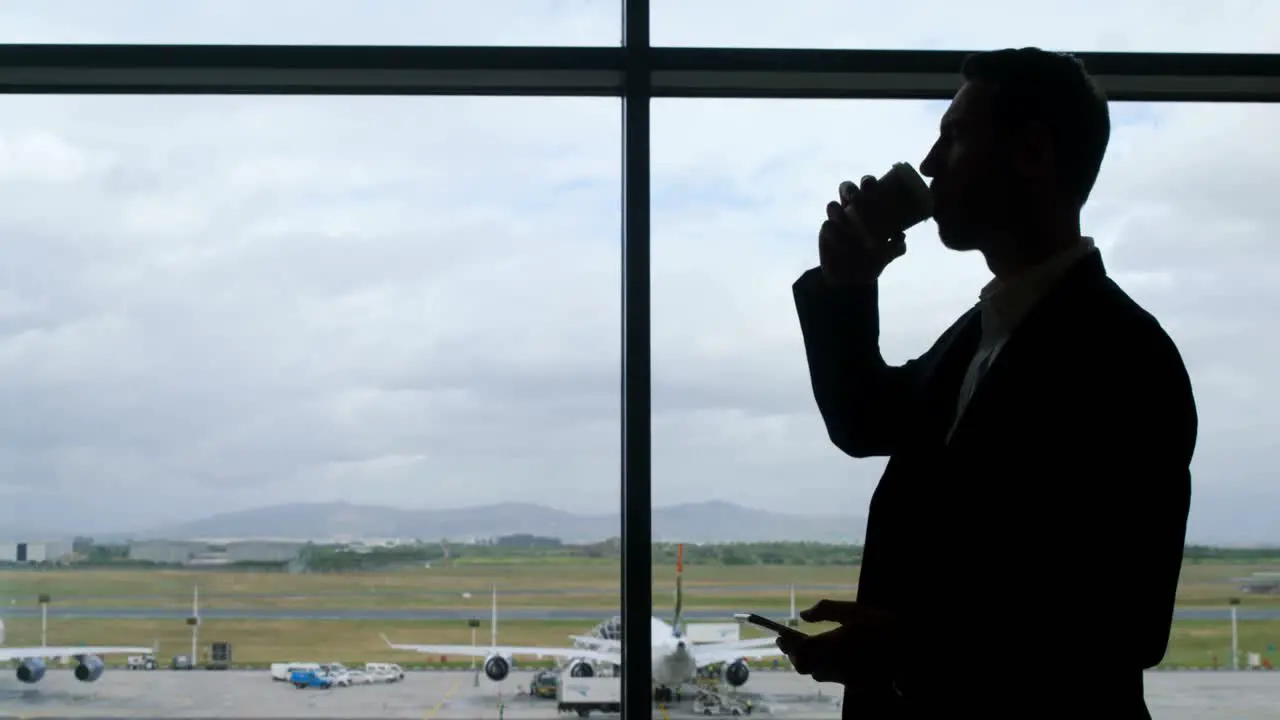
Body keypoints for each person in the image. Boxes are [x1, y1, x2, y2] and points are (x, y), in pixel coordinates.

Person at [782, 47, 1198, 719]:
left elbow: (1127, 625)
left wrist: (906, 650)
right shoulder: (980, 334)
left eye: (952, 136)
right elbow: (866, 423)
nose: (927, 163)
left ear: (1032, 153)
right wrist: (848, 286)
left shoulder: (1127, 359)